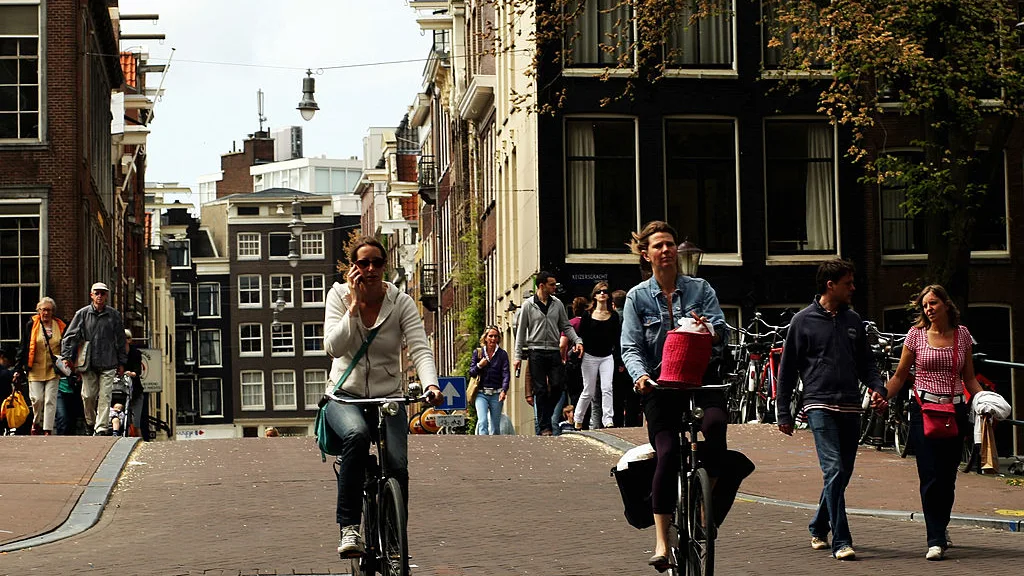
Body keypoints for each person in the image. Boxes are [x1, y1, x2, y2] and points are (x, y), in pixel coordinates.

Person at [620, 221, 751, 572]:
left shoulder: (700, 289)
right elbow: (630, 347)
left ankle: (707, 507)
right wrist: (642, 377)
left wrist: (708, 327)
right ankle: (663, 542)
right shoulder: (637, 297)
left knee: (717, 424)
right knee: (666, 453)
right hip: (660, 385)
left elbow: (722, 332)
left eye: (671, 244)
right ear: (646, 254)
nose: (666, 250)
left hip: (699, 378)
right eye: (659, 245)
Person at [322, 236, 443, 558]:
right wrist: (352, 307)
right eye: (363, 263)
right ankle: (349, 528)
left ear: (384, 265)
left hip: (388, 394)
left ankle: (393, 535)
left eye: (377, 262)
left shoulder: (400, 301)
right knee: (357, 436)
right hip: (344, 395)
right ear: (353, 267)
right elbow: (334, 348)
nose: (371, 269)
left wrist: (431, 386)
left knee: (398, 466)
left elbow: (419, 347)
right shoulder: (337, 295)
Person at [776, 259, 887, 561]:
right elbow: (786, 371)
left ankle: (817, 525)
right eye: (848, 283)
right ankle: (841, 541)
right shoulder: (802, 321)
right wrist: (783, 413)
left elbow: (867, 364)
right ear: (831, 285)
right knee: (834, 469)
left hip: (850, 405)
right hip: (819, 403)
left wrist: (878, 388)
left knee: (842, 472)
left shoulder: (853, 321)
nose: (853, 288)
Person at [884, 285, 983, 561]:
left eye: (933, 303)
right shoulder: (915, 336)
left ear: (946, 305)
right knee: (929, 476)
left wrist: (986, 400)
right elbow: (901, 375)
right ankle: (935, 539)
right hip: (924, 410)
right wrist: (883, 395)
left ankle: (940, 524)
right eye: (924, 305)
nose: (928, 309)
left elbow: (970, 378)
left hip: (954, 410)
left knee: (948, 478)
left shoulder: (962, 335)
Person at [513, 271, 583, 436]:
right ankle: (545, 427)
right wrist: (517, 357)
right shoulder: (528, 305)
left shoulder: (557, 304)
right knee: (541, 389)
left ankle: (546, 414)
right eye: (552, 284)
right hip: (535, 351)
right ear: (542, 285)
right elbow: (521, 332)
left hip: (553, 350)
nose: (555, 287)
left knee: (558, 385)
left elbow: (566, 326)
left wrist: (578, 341)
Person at [61, 282, 127, 436]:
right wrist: (66, 356)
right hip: (88, 362)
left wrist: (122, 362)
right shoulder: (82, 314)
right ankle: (91, 422)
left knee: (105, 396)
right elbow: (70, 336)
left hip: (109, 361)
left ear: (106, 296)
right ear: (91, 295)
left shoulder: (114, 315)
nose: (99, 296)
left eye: (102, 293)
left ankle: (101, 428)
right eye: (96, 293)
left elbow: (121, 339)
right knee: (88, 396)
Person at [13, 297, 66, 435]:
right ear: (38, 311)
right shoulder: (31, 324)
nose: (46, 313)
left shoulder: (60, 325)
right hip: (35, 368)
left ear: (53, 311)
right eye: (43, 310)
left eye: (49, 310)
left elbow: (65, 346)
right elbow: (23, 346)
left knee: (50, 399)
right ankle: (36, 422)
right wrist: (18, 368)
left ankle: (47, 429)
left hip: (52, 369)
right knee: (37, 399)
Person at [574, 282, 620, 430]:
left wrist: (619, 360)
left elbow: (617, 339)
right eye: (599, 291)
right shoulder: (588, 315)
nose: (602, 294)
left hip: (607, 356)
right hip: (589, 356)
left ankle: (608, 420)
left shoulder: (613, 316)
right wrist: (579, 349)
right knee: (589, 390)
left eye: (605, 291)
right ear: (594, 295)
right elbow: (581, 335)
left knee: (607, 388)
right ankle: (578, 418)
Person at [469, 326, 510, 435]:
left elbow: (506, 373)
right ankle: (484, 446)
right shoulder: (478, 353)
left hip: (496, 393)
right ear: (485, 338)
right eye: (490, 336)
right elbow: (472, 372)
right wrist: (479, 365)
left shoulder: (502, 354)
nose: (493, 339)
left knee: (495, 426)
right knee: (482, 421)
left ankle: (494, 447)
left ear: (498, 338)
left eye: (495, 336)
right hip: (481, 393)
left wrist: (504, 390)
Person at [124, 329, 145, 437]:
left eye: (127, 338)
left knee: (136, 423)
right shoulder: (117, 353)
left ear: (130, 340)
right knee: (124, 421)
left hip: (136, 392)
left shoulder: (136, 353)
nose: (124, 340)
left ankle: (141, 444)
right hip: (121, 391)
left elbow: (138, 371)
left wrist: (132, 373)